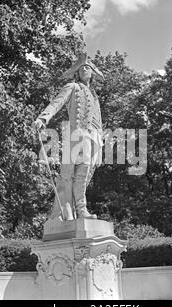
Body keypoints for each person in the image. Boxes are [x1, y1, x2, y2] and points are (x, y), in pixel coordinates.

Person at [33, 53, 104, 221]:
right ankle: (77, 211)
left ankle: (75, 210)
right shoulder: (72, 87)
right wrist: (44, 118)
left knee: (84, 175)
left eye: (88, 68)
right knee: (73, 174)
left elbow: (99, 120)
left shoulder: (95, 96)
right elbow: (57, 102)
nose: (85, 70)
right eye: (82, 68)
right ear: (77, 73)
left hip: (94, 137)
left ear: (92, 73)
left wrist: (100, 143)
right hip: (78, 134)